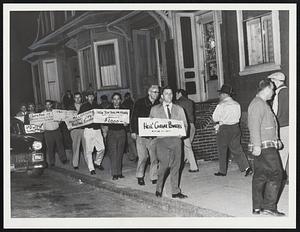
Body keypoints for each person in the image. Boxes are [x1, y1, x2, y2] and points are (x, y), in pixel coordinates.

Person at [248, 78, 285, 216]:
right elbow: (254, 125)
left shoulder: (260, 103)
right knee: (277, 173)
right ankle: (269, 206)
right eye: (273, 89)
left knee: (261, 175)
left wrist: (276, 140)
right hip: (264, 146)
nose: (274, 93)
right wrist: (256, 145)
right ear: (267, 88)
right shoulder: (258, 104)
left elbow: (268, 125)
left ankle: (257, 207)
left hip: (265, 144)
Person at [150, 86, 188, 198]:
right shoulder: (155, 109)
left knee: (176, 165)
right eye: (166, 94)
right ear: (162, 96)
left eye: (171, 93)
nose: (169, 96)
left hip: (176, 140)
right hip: (162, 140)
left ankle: (175, 191)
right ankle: (159, 188)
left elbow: (185, 124)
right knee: (164, 165)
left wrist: (183, 132)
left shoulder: (179, 109)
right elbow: (150, 125)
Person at [212, 84, 253, 177]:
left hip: (224, 129)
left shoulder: (221, 105)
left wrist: (221, 120)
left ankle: (222, 171)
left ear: (223, 95)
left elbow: (214, 118)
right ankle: (247, 167)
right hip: (235, 128)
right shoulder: (236, 104)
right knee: (237, 149)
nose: (219, 96)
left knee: (222, 150)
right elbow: (238, 117)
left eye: (220, 94)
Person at [131, 85, 160, 186]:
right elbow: (134, 117)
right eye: (154, 92)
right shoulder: (140, 103)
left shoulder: (159, 104)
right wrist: (133, 131)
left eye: (157, 92)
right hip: (141, 135)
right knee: (143, 157)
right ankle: (140, 176)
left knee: (154, 158)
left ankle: (154, 176)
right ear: (149, 92)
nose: (156, 94)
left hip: (154, 136)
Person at [267, 72, 289, 184]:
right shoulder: (290, 91)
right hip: (291, 125)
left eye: (272, 82)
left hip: (282, 126)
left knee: (281, 154)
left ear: (275, 81)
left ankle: (279, 178)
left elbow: (274, 113)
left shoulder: (278, 93)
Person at [78, 91, 105, 175]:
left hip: (97, 129)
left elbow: (102, 116)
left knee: (102, 148)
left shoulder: (97, 105)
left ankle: (97, 162)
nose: (91, 98)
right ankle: (91, 168)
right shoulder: (83, 106)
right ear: (86, 97)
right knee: (89, 150)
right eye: (89, 96)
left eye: (92, 96)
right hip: (88, 130)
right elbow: (79, 118)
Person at [175, 89, 199, 172]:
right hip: (192, 125)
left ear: (180, 93)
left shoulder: (177, 103)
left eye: (176, 94)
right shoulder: (190, 102)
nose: (175, 96)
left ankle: (193, 166)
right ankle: (185, 162)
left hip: (183, 126)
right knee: (187, 145)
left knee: (187, 146)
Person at [106, 93, 127, 180]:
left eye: (118, 99)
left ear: (120, 100)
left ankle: (119, 172)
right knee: (113, 153)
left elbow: (127, 123)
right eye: (114, 99)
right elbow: (104, 122)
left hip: (121, 132)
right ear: (112, 100)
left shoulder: (124, 110)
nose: (116, 101)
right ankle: (114, 173)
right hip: (112, 133)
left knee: (120, 153)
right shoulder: (108, 110)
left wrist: (126, 124)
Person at [43, 100, 68, 167]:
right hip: (48, 132)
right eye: (46, 105)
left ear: (51, 105)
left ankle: (63, 159)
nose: (48, 106)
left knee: (60, 145)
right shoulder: (42, 114)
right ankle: (52, 162)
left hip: (56, 131)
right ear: (45, 106)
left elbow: (61, 120)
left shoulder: (56, 112)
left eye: (49, 104)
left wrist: (59, 121)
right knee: (50, 147)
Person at [68, 92, 84, 169]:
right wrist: (69, 126)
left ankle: (89, 164)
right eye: (76, 97)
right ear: (74, 99)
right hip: (75, 130)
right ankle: (75, 164)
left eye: (79, 97)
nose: (77, 99)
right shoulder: (70, 107)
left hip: (84, 129)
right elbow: (67, 119)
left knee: (86, 147)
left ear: (81, 98)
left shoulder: (85, 106)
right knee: (75, 147)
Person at [122, 92, 138, 161]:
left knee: (130, 142)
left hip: (127, 126)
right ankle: (134, 155)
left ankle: (134, 155)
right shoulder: (133, 103)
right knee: (132, 142)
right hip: (133, 124)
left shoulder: (123, 104)